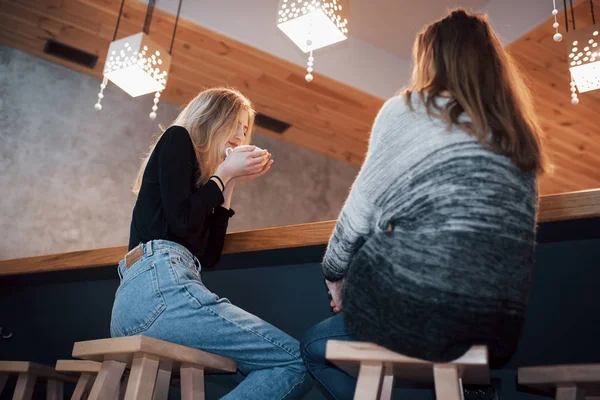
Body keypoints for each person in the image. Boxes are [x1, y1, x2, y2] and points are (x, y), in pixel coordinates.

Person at [301, 8, 547, 399]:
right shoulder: (518, 137)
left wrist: (334, 277)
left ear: (432, 60)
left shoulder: (409, 110)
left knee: (313, 347)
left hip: (420, 312)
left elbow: (357, 217)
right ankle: (471, 389)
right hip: (496, 328)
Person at [110, 88, 312, 399]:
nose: (242, 136)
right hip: (159, 288)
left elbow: (210, 255)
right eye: (237, 124)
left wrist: (227, 182)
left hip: (138, 301)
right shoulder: (178, 137)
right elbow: (180, 220)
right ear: (213, 118)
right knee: (294, 360)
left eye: (246, 130)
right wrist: (222, 176)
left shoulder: (206, 186)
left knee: (286, 361)